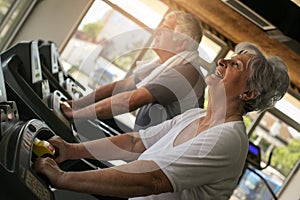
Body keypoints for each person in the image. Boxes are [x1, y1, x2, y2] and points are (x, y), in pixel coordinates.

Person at [34, 42, 289, 199]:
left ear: (248, 93)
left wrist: (63, 178)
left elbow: (152, 179)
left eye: (235, 65)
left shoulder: (228, 139)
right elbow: (136, 143)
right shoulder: (198, 116)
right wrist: (71, 151)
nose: (222, 61)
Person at [60, 11, 206, 130]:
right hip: (145, 145)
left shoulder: (185, 73)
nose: (157, 31)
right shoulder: (165, 65)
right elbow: (122, 87)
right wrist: (78, 104)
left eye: (165, 29)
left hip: (160, 156)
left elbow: (130, 101)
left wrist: (76, 115)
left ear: (182, 44)